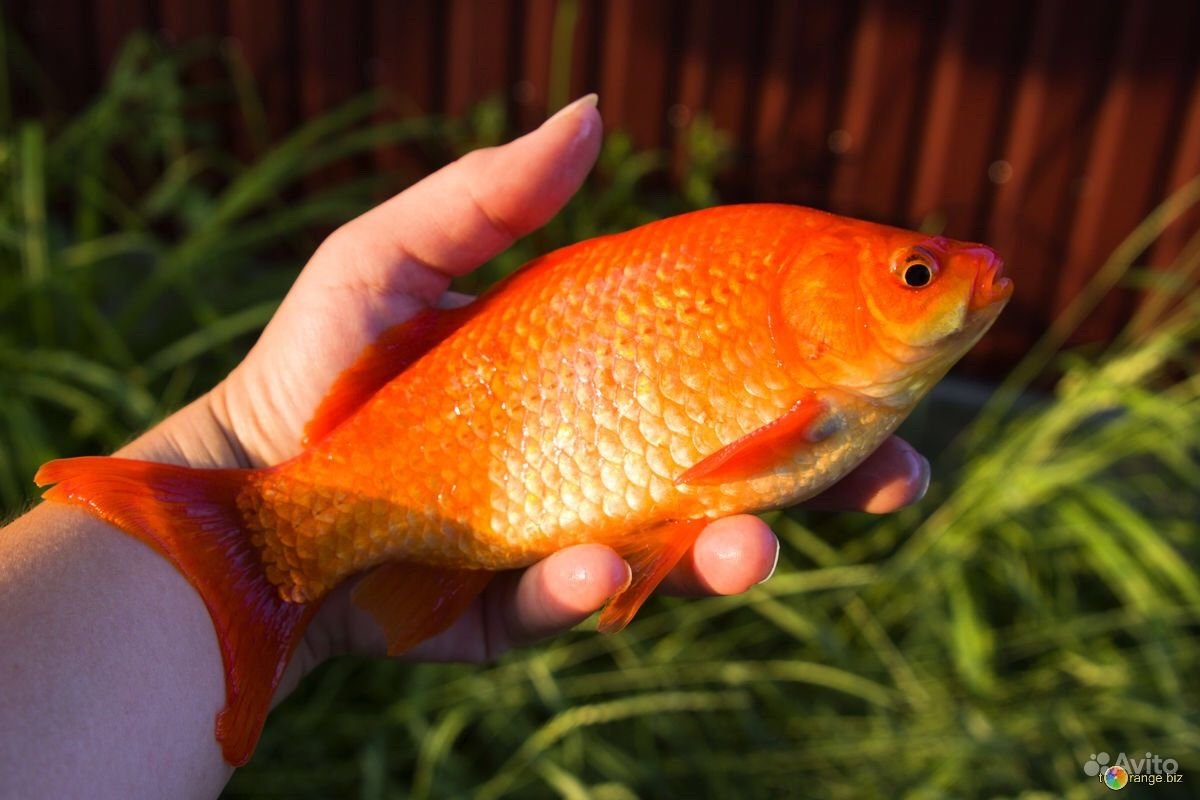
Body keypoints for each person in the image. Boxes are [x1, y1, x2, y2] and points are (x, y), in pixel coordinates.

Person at [0, 95, 930, 798]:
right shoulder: (796, 332)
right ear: (817, 301)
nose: (953, 284)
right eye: (916, 275)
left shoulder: (822, 358)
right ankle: (264, 549)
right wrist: (239, 452)